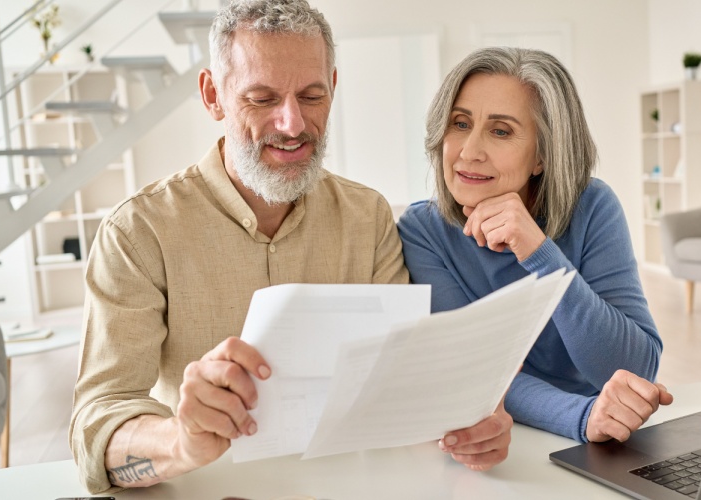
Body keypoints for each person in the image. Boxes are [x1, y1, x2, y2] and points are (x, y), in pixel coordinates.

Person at [69, 1, 509, 493]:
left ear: (334, 88)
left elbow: (402, 385)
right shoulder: (138, 231)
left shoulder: (368, 217)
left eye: (312, 96)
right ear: (213, 95)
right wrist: (180, 442)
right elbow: (98, 423)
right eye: (262, 98)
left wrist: (466, 420)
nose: (293, 124)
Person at [398, 47, 674, 446]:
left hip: (598, 437)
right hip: (498, 436)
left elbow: (634, 368)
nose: (469, 151)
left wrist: (540, 254)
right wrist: (581, 416)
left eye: (500, 131)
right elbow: (473, 369)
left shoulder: (593, 206)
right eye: (459, 123)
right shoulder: (422, 230)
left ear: (542, 155)